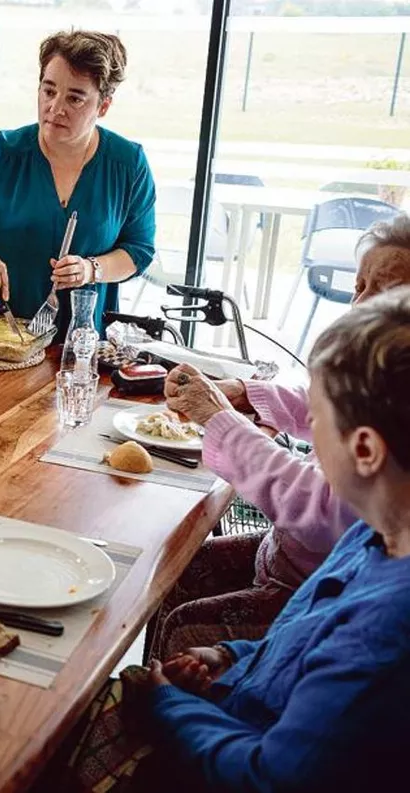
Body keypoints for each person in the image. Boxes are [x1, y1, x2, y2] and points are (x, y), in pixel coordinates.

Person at [56, 286, 410, 793]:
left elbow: (266, 776)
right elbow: (299, 639)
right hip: (234, 701)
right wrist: (229, 656)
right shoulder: (375, 539)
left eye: (319, 420)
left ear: (366, 450)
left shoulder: (382, 634)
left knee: (57, 735)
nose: (306, 433)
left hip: (225, 756)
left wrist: (169, 706)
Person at [151, 212, 410, 659]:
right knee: (173, 565)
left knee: (183, 627)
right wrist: (248, 393)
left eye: (383, 291)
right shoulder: (384, 373)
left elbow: (320, 509)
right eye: (359, 286)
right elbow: (322, 407)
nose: (358, 303)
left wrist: (222, 420)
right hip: (290, 559)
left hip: (318, 591)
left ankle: (165, 708)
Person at [0, 30, 156, 333]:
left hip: (81, 342)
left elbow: (139, 251)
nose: (56, 107)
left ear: (103, 106)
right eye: (49, 90)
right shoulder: (4, 154)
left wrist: (91, 269)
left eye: (75, 98)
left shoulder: (128, 164)